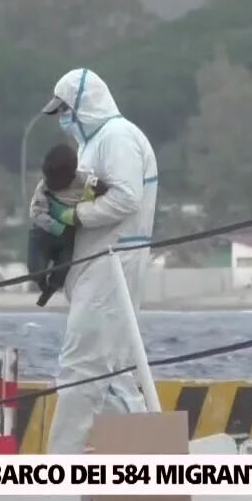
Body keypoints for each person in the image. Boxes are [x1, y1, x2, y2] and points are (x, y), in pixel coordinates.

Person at [38, 68, 159, 454]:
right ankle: (147, 455)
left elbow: (126, 197)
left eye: (65, 110)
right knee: (113, 375)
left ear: (83, 104)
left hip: (114, 262)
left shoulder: (117, 137)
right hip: (100, 263)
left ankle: (61, 462)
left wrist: (75, 217)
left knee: (81, 366)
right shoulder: (95, 143)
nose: (62, 120)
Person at [28, 142, 110, 307]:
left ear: (71, 175)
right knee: (36, 268)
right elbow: (36, 213)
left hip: (68, 237)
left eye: (54, 179)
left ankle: (51, 289)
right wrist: (58, 228)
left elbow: (100, 188)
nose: (50, 182)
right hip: (44, 233)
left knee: (63, 266)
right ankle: (41, 282)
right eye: (47, 177)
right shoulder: (43, 188)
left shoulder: (84, 180)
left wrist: (99, 190)